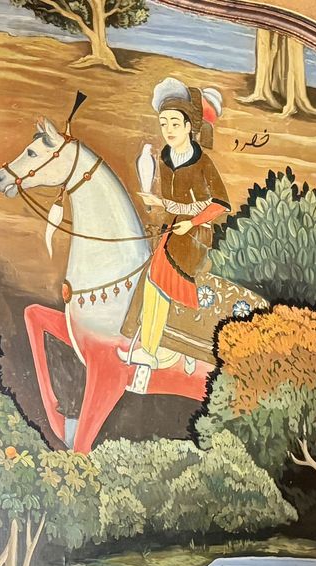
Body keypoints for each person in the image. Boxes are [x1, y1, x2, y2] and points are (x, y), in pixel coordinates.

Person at [122, 78, 230, 371]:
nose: (168, 130)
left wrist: (191, 222)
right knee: (152, 281)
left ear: (187, 127)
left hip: (195, 236)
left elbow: (221, 204)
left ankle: (150, 350)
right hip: (171, 233)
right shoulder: (164, 156)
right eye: (163, 124)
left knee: (156, 281)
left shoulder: (202, 162)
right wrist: (156, 205)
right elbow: (170, 204)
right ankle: (150, 347)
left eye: (174, 124)